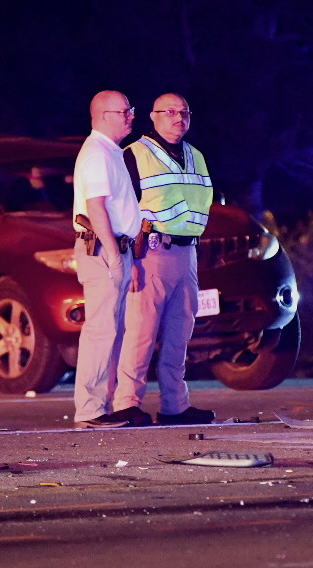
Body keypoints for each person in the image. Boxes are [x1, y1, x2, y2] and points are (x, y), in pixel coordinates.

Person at [112, 93, 216, 425]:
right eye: (169, 111)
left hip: (187, 254)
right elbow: (120, 210)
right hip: (150, 253)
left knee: (179, 333)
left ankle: (175, 405)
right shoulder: (135, 155)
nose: (177, 117)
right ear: (152, 117)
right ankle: (126, 403)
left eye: (184, 112)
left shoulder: (196, 155)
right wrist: (131, 260)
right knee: (141, 332)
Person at [72, 90, 144, 428]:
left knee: (108, 331)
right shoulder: (98, 153)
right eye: (124, 111)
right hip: (103, 250)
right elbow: (96, 207)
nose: (131, 115)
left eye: (130, 109)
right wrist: (115, 257)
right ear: (103, 115)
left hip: (113, 248)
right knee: (101, 331)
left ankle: (98, 406)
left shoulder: (108, 151)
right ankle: (90, 410)